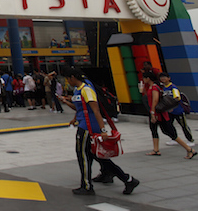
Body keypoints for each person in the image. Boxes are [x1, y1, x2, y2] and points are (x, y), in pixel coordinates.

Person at [58, 67, 139, 196]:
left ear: (73, 77)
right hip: (85, 124)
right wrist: (68, 105)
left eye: (68, 79)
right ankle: (128, 179)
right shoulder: (77, 90)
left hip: (88, 128)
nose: (67, 81)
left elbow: (96, 111)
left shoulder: (86, 89)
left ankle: (86, 186)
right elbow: (80, 108)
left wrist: (103, 130)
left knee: (83, 156)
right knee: (98, 156)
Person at [143, 72, 196, 159]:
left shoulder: (155, 87)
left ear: (148, 78)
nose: (143, 80)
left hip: (158, 113)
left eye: (144, 78)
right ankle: (156, 150)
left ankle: (189, 149)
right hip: (155, 112)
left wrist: (153, 112)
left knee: (169, 132)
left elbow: (155, 100)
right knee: (153, 129)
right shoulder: (153, 87)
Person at [158, 72, 194, 145]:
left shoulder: (173, 87)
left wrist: (172, 106)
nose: (163, 79)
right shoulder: (163, 88)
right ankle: (174, 138)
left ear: (169, 78)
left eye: (164, 77)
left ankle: (190, 140)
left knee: (184, 125)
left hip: (178, 110)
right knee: (169, 125)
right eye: (161, 77)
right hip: (169, 111)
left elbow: (177, 98)